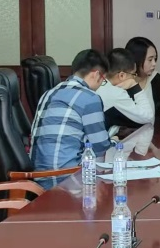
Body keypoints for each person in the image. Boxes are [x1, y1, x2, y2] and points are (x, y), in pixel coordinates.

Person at [29, 49, 112, 189]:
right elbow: (100, 146)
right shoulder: (90, 98)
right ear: (96, 74)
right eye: (103, 81)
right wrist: (114, 142)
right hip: (64, 179)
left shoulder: (49, 93)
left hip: (38, 178)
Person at [96, 48, 154, 131]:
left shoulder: (98, 83)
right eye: (133, 74)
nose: (134, 78)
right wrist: (134, 85)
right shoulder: (116, 94)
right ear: (122, 75)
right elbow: (148, 117)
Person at [126, 37, 160, 119]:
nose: (154, 64)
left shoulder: (156, 79)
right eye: (150, 60)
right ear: (136, 59)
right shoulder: (122, 82)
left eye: (155, 59)